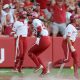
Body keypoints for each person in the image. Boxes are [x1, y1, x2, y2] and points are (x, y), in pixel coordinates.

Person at [54, 15, 79, 79]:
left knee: (76, 57)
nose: (78, 19)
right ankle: (51, 65)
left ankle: (75, 74)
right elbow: (68, 38)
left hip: (70, 43)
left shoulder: (74, 26)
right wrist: (70, 46)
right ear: (74, 20)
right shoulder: (70, 26)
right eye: (77, 18)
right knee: (67, 59)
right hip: (67, 43)